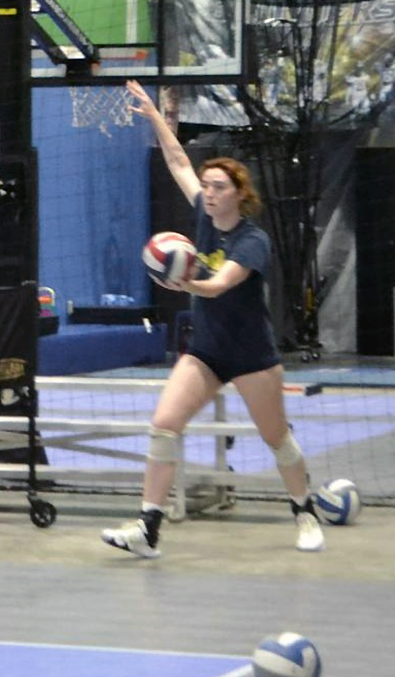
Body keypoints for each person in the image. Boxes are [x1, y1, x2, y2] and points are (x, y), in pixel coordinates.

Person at [102, 81, 323, 558]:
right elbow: (179, 160)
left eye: (218, 187)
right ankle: (148, 529)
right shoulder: (203, 212)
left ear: (239, 195)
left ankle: (304, 511)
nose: (208, 192)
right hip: (207, 351)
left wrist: (183, 285)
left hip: (251, 356)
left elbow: (221, 284)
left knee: (276, 439)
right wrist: (156, 116)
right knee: (164, 424)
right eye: (207, 186)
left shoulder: (253, 240)